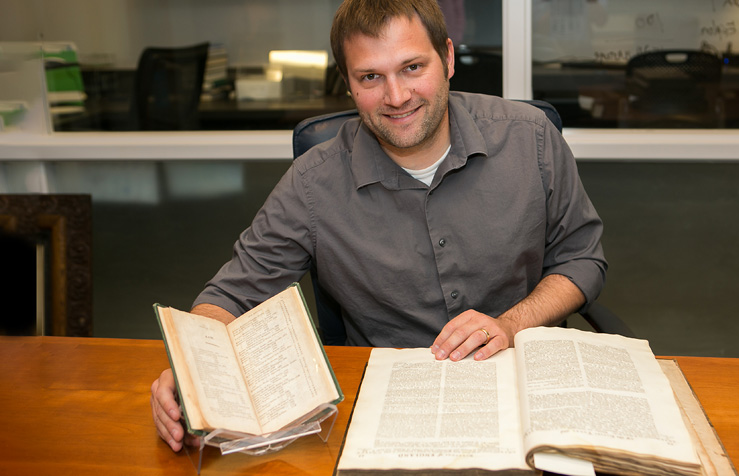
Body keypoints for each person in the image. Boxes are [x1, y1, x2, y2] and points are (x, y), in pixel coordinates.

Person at [151, 0, 606, 452]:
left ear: (447, 59)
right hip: (388, 412)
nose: (397, 96)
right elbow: (232, 294)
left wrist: (510, 324)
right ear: (347, 83)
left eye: (412, 67)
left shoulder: (531, 138)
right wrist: (192, 369)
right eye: (371, 77)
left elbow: (581, 258)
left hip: (523, 384)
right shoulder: (315, 182)